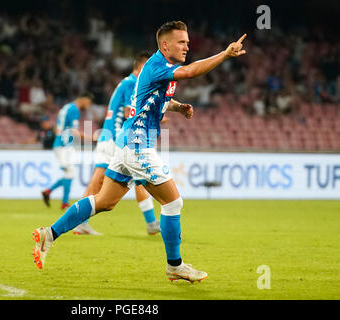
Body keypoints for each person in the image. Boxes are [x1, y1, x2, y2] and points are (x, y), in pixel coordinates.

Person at [33, 21, 247, 282]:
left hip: (126, 144)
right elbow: (190, 72)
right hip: (137, 145)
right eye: (182, 42)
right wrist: (224, 54)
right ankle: (175, 265)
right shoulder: (157, 65)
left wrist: (178, 107)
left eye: (188, 42)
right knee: (173, 202)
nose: (187, 46)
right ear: (165, 44)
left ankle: (49, 234)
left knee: (104, 201)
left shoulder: (160, 69)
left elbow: (156, 100)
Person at [73, 52, 161, 236]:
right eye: (149, 67)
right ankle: (80, 221)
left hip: (115, 136)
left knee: (138, 177)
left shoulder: (128, 83)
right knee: (101, 180)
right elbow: (131, 109)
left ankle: (152, 223)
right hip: (114, 137)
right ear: (140, 67)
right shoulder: (132, 83)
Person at [41, 92, 95, 212]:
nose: (88, 105)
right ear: (84, 99)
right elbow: (74, 131)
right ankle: (64, 202)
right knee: (70, 174)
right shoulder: (74, 110)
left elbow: (59, 127)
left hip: (61, 144)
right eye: (89, 102)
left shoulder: (66, 107)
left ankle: (49, 192)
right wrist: (90, 138)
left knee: (69, 174)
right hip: (63, 146)